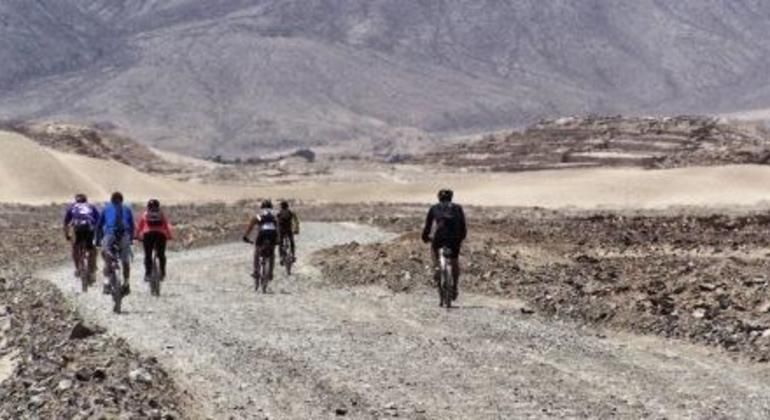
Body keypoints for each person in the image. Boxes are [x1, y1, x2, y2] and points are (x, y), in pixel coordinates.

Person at [421, 189, 467, 300]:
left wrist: (425, 238)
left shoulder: (434, 208)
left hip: (439, 238)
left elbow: (428, 226)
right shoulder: (458, 208)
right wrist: (460, 238)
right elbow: (463, 226)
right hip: (454, 239)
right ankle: (455, 287)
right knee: (454, 261)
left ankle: (437, 267)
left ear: (438, 198)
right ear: (451, 197)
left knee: (434, 250)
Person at [96, 192, 135, 295]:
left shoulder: (106, 209)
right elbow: (132, 226)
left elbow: (99, 226)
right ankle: (126, 284)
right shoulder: (127, 209)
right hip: (124, 236)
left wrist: (97, 240)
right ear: (122, 200)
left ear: (111, 200)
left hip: (110, 235)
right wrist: (131, 239)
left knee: (107, 259)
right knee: (125, 260)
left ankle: (106, 283)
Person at [63, 193, 100, 284]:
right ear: (86, 200)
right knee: (92, 249)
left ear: (76, 200)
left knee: (75, 247)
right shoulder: (91, 206)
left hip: (77, 229)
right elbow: (99, 222)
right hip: (89, 228)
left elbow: (66, 224)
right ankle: (92, 271)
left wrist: (67, 235)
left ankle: (77, 269)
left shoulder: (72, 207)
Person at [135, 199, 173, 282]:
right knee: (161, 255)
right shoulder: (161, 214)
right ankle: (162, 273)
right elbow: (166, 226)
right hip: (160, 235)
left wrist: (136, 236)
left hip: (148, 235)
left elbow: (139, 227)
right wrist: (169, 236)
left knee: (148, 255)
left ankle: (148, 274)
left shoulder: (145, 214)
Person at [243, 200, 278, 286]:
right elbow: (278, 229)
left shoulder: (258, 217)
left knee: (257, 252)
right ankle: (270, 273)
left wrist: (245, 236)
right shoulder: (274, 217)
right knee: (272, 253)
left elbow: (250, 227)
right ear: (271, 208)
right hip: (273, 234)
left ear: (262, 208)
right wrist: (278, 239)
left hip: (262, 234)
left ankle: (256, 272)